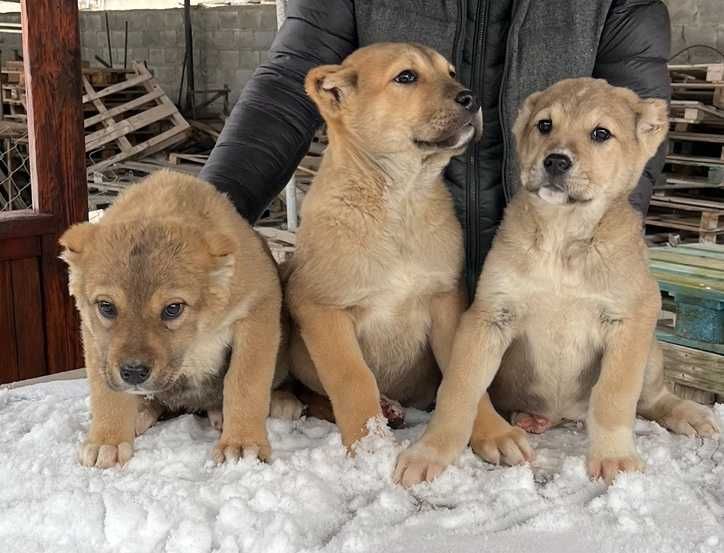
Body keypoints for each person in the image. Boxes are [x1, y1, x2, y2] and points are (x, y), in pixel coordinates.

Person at [200, 0, 671, 297]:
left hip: (536, 293)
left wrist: (591, 269)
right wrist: (198, 225)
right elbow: (286, 89)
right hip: (394, 292)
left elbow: (632, 131)